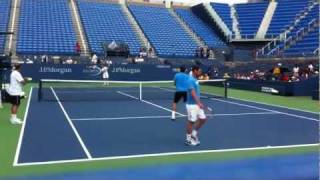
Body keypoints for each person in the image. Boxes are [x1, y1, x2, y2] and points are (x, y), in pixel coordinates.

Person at [185, 65, 207, 146]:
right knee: (191, 122)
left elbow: (196, 92)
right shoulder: (190, 80)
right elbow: (193, 92)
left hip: (197, 104)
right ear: (195, 71)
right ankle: (188, 139)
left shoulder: (195, 79)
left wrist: (198, 103)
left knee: (203, 119)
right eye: (199, 71)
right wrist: (198, 102)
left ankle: (193, 134)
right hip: (192, 105)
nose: (200, 72)